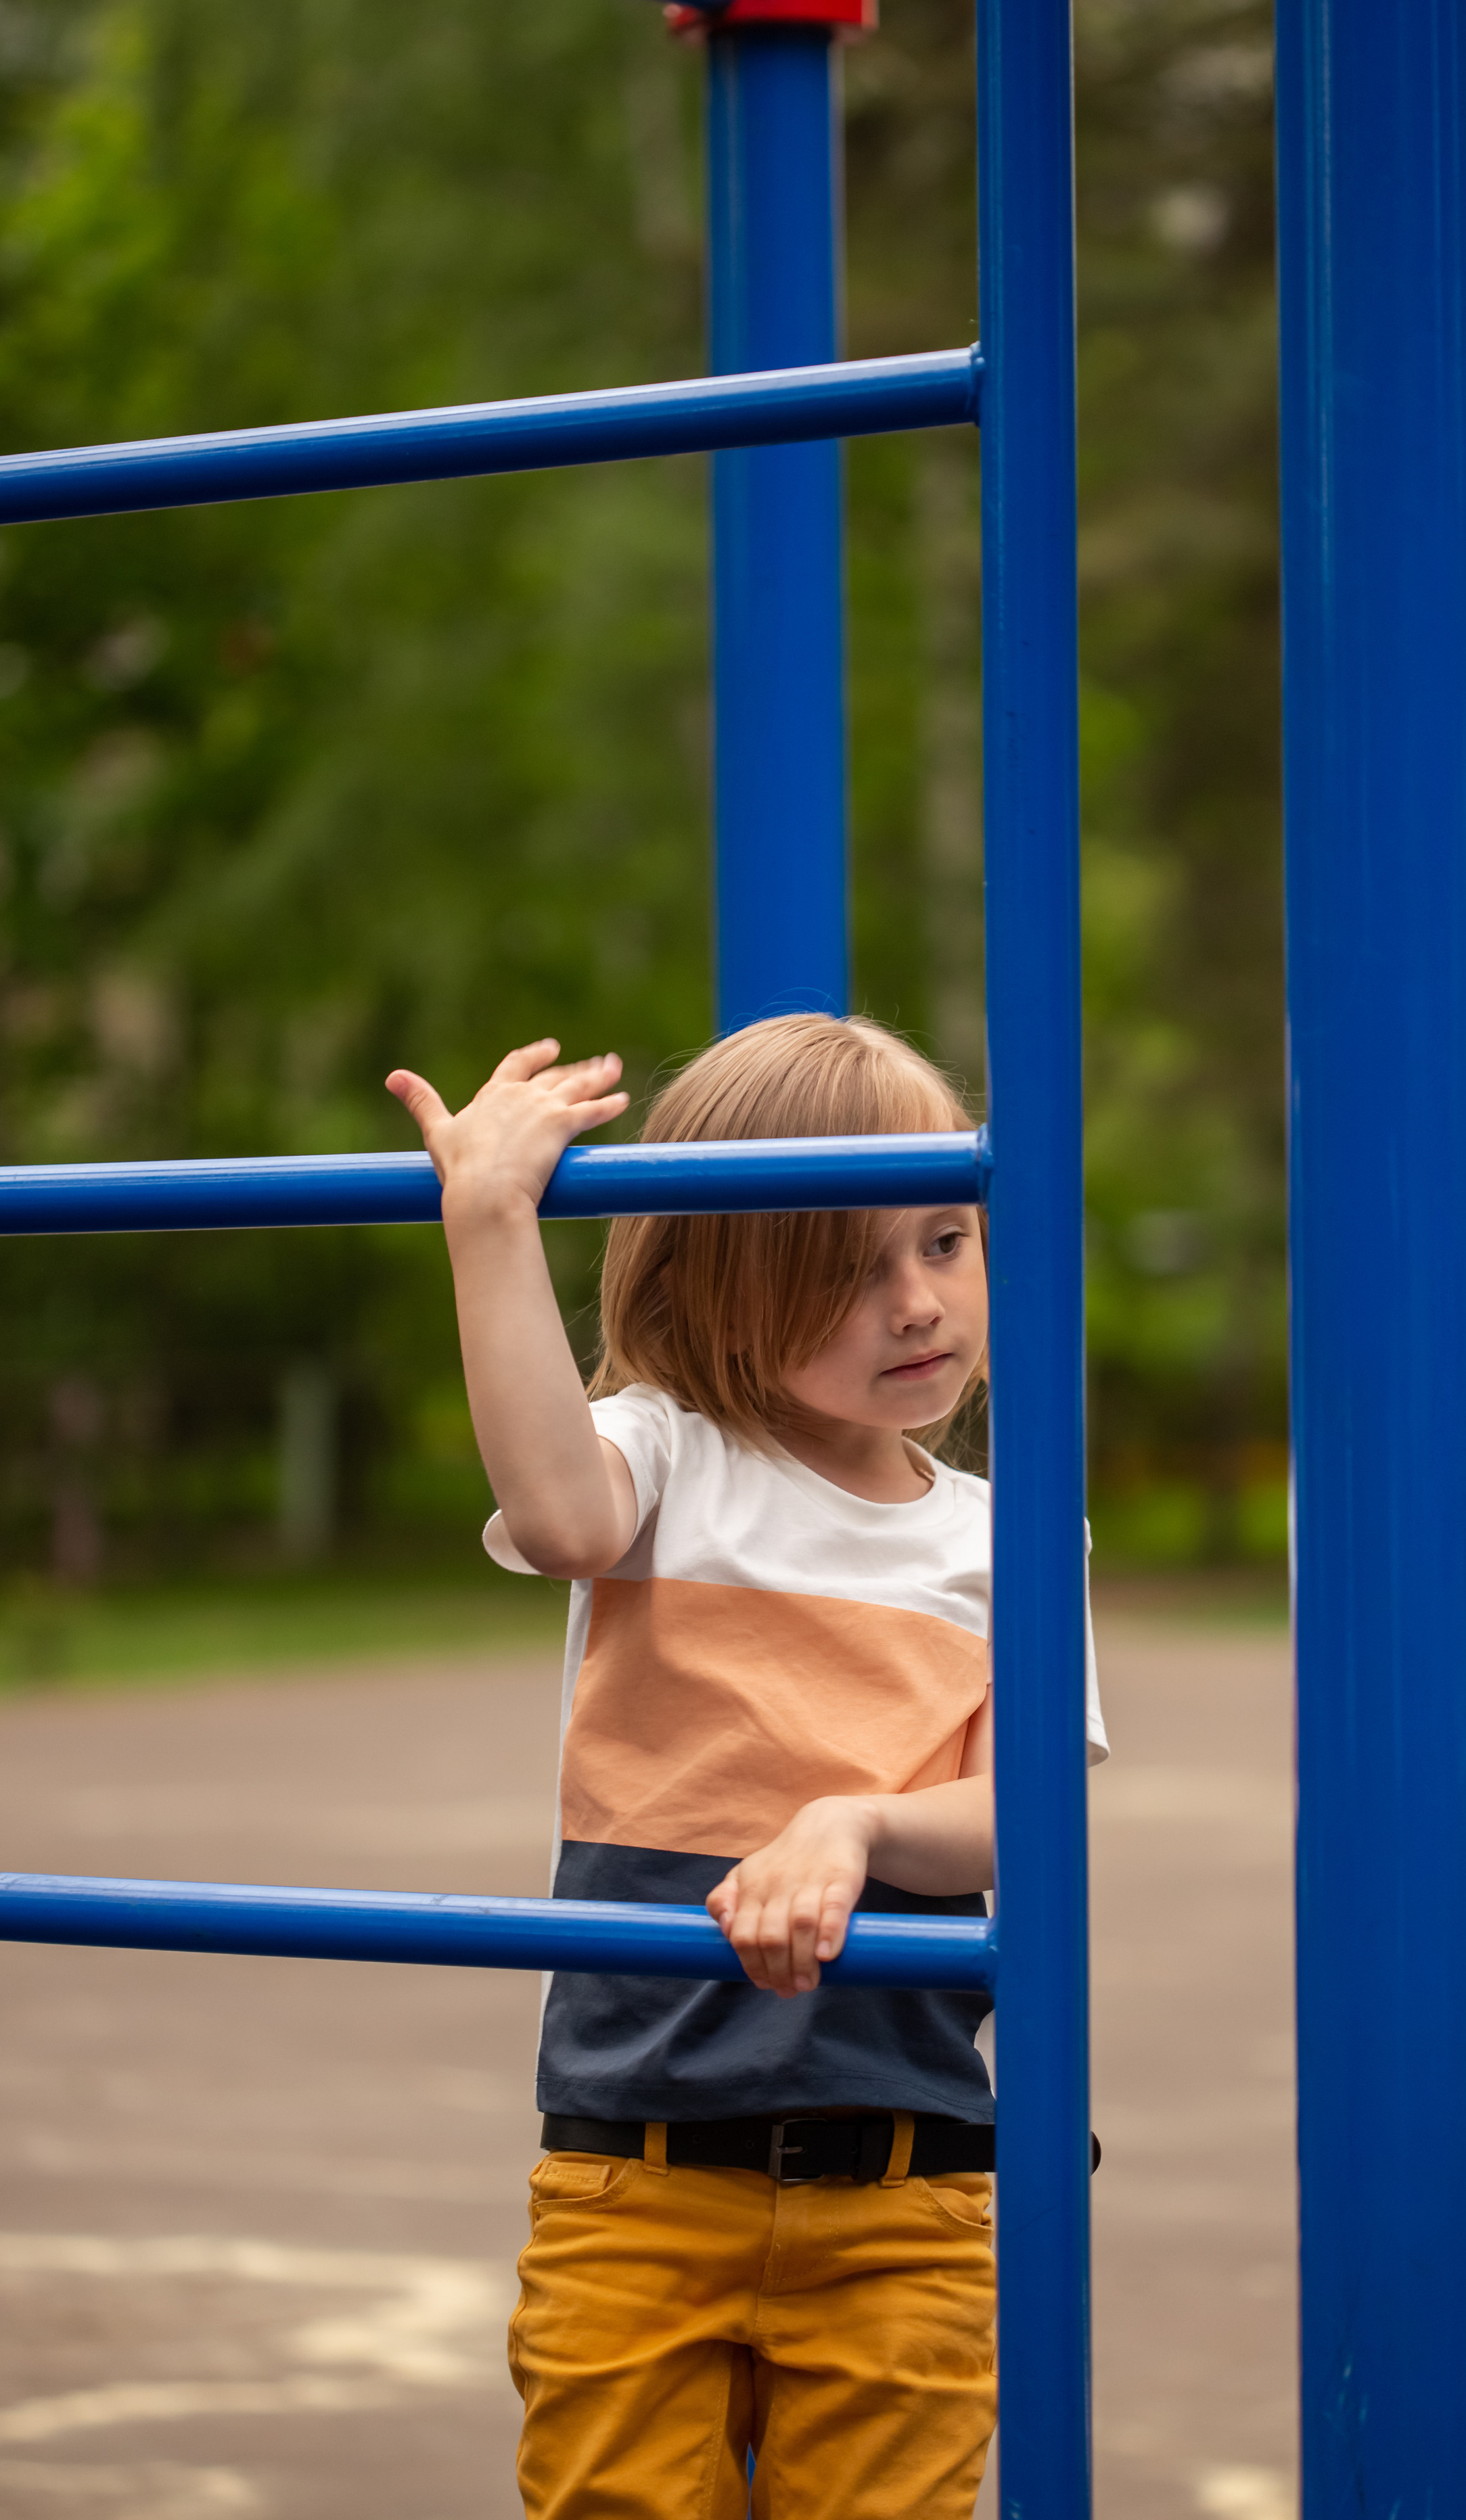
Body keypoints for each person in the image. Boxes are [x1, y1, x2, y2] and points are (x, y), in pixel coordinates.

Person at [386, 1012, 1106, 2520]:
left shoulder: (1008, 1533)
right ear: (722, 1282)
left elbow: (1024, 1817)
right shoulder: (665, 1462)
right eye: (845, 1268)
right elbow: (564, 1517)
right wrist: (489, 1223)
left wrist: (849, 1827)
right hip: (635, 2173)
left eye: (941, 1243)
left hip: (907, 2186)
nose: (914, 1304)